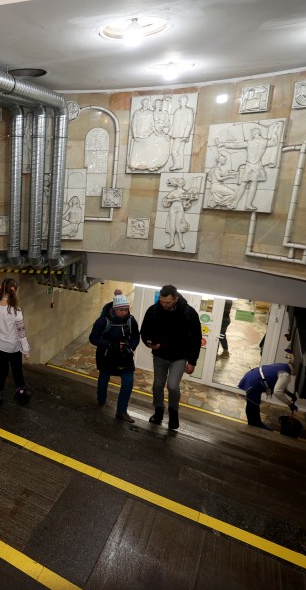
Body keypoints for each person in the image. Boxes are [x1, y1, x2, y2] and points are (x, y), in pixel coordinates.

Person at [138, 284, 202, 431]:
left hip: (179, 357)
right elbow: (144, 331)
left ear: (176, 299)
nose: (163, 305)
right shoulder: (154, 310)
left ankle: (174, 415)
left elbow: (196, 339)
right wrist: (148, 343)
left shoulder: (189, 313)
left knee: (173, 386)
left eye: (167, 302)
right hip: (160, 356)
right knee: (157, 385)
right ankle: (158, 412)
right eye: (161, 301)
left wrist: (192, 361)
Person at [89, 290, 141, 422]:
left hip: (124, 356)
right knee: (104, 377)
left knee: (128, 382)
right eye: (122, 310)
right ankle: (101, 400)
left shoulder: (130, 320)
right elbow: (93, 338)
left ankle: (121, 411)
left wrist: (130, 346)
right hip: (107, 355)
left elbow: (136, 336)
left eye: (126, 309)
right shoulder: (103, 321)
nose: (125, 312)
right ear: (115, 309)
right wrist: (109, 344)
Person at [0, 278, 31, 406]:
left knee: (2, 371)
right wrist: (25, 351)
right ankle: (21, 393)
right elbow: (21, 333)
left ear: (2, 288)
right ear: (15, 290)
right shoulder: (16, 310)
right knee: (17, 371)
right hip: (12, 347)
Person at [237, 362, 298, 429]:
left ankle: (253, 424)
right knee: (253, 406)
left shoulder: (282, 366)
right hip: (255, 382)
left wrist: (290, 394)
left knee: (252, 405)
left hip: (252, 375)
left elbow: (280, 386)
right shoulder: (286, 375)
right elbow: (277, 392)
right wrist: (290, 404)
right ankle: (255, 425)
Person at [161, 177, 197, 250]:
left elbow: (184, 205)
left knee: (178, 226)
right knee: (172, 225)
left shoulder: (185, 192)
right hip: (172, 209)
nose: (180, 184)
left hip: (180, 209)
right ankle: (171, 241)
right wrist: (175, 199)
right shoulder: (173, 192)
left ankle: (181, 242)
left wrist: (188, 201)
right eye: (179, 182)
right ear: (177, 183)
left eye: (181, 183)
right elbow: (167, 200)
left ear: (183, 184)